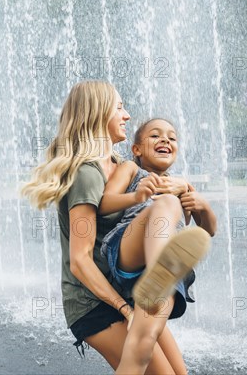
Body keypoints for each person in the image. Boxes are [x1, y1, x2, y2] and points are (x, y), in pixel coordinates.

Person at [22, 81, 189, 374]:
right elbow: (80, 260)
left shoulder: (116, 164)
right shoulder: (87, 173)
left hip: (125, 293)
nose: (126, 116)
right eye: (120, 108)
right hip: (93, 304)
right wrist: (125, 310)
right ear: (98, 114)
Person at [98, 118, 217, 374]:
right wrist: (137, 195)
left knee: (152, 352)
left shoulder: (180, 186)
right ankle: (158, 275)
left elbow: (209, 231)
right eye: (155, 136)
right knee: (167, 205)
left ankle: (159, 280)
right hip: (129, 250)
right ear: (137, 149)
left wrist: (201, 203)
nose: (165, 140)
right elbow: (105, 203)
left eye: (172, 138)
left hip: (166, 278)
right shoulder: (131, 169)